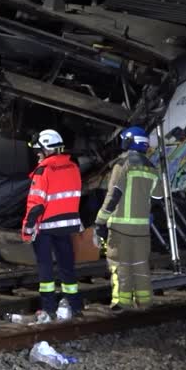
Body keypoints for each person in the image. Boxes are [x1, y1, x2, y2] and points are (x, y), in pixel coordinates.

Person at [93, 126, 164, 310]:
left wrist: (99, 222)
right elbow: (158, 198)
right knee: (141, 265)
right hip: (141, 229)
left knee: (119, 264)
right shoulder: (151, 168)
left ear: (128, 141)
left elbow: (112, 196)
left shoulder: (121, 165)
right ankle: (145, 301)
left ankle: (122, 302)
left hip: (120, 227)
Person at [20, 129, 84, 319]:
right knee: (67, 266)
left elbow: (36, 205)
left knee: (45, 267)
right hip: (66, 226)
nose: (38, 154)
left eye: (39, 150)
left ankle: (49, 308)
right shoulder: (73, 167)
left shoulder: (43, 171)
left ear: (47, 149)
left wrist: (27, 229)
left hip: (45, 227)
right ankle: (75, 305)